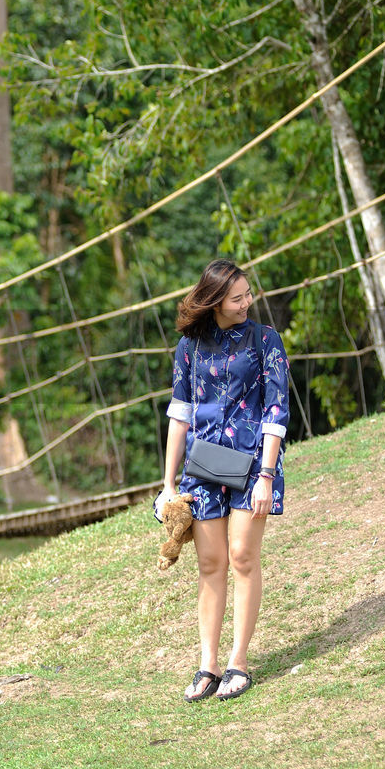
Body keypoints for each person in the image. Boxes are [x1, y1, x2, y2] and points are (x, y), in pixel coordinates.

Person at [155, 258, 290, 702]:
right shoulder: (189, 347)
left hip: (253, 464)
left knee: (242, 558)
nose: (248, 302)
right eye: (237, 297)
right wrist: (168, 485)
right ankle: (207, 665)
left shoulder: (266, 340)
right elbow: (180, 415)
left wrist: (267, 475)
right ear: (214, 301)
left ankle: (239, 663)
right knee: (210, 564)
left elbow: (276, 410)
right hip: (204, 468)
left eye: (248, 294)